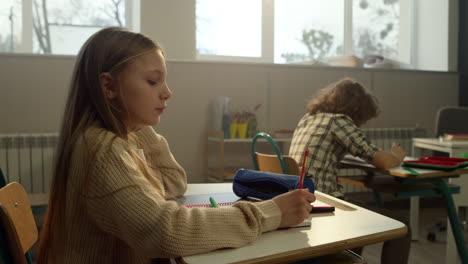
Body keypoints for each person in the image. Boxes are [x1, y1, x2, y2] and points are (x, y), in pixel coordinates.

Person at [36, 27, 316, 264]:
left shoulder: (115, 138)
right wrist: (271, 212)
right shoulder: (102, 148)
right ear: (108, 86)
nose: (167, 92)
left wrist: (135, 124)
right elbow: (167, 232)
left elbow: (174, 180)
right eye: (153, 81)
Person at [289, 78, 411, 264]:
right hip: (325, 204)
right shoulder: (339, 121)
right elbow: (384, 161)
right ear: (356, 111)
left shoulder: (308, 118)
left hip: (302, 200)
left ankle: (349, 258)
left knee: (359, 209)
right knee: (403, 225)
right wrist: (397, 155)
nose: (360, 124)